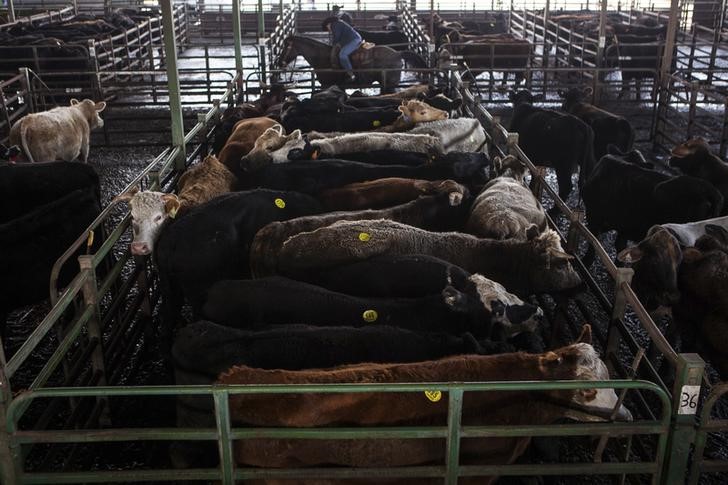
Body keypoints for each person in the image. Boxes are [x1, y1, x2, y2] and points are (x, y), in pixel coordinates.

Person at [322, 16, 361, 82]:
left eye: (327, 28)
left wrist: (332, 44)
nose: (329, 30)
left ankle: (351, 74)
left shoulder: (335, 25)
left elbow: (337, 38)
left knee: (342, 55)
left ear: (328, 24)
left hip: (354, 40)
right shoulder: (338, 23)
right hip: (352, 39)